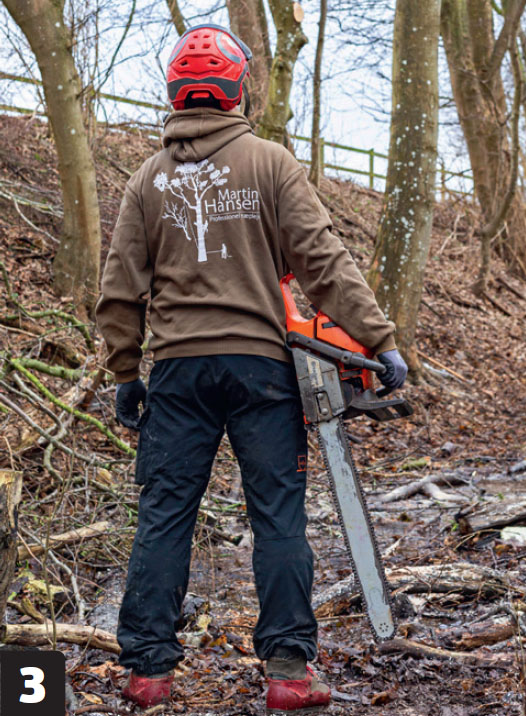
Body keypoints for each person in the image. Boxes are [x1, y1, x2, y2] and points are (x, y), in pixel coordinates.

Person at [95, 23, 407, 715]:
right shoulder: (270, 163)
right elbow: (322, 261)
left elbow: (119, 289)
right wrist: (379, 340)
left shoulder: (147, 179)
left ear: (176, 94)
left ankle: (148, 673)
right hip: (262, 370)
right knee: (277, 516)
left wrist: (125, 371)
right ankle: (289, 671)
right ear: (238, 91)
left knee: (164, 515)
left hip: (178, 373)